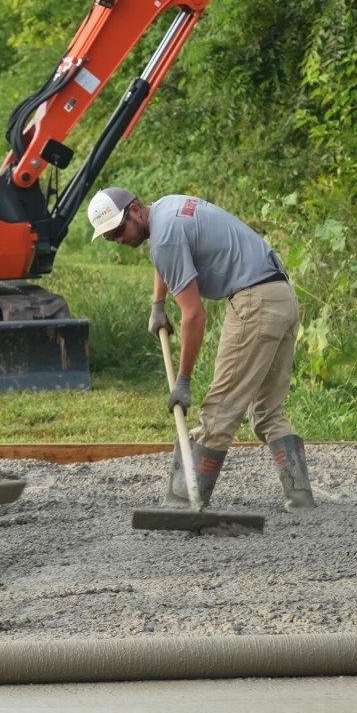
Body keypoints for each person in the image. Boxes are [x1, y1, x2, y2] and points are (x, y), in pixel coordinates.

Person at [87, 187, 316, 512]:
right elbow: (166, 256)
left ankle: (184, 502)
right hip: (282, 296)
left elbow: (194, 315)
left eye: (119, 230)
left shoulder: (165, 237)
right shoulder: (167, 209)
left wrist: (183, 380)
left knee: (219, 412)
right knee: (267, 412)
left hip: (254, 304)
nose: (118, 239)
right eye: (110, 237)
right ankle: (300, 497)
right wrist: (158, 303)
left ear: (135, 210)